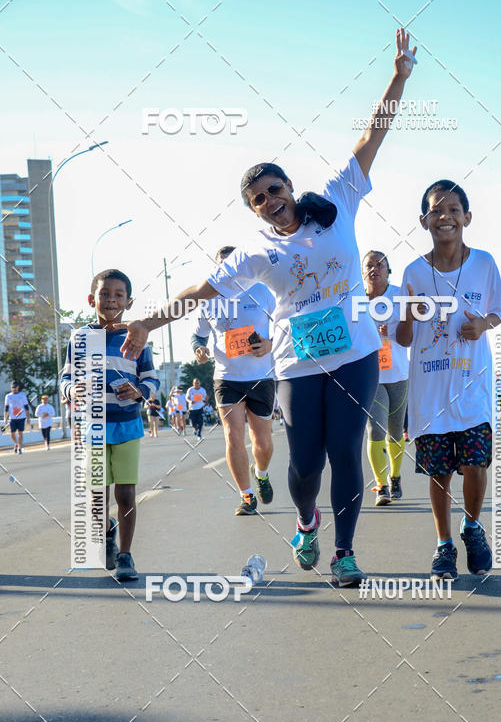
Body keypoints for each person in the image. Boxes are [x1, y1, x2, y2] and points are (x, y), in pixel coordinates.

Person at [122, 29, 417, 587]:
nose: (270, 201)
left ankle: (345, 552)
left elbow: (370, 138)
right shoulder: (257, 253)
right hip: (298, 362)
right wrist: (147, 319)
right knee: (305, 463)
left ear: (289, 186)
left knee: (346, 452)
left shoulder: (336, 200)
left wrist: (398, 78)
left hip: (355, 351)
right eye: (258, 199)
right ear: (254, 212)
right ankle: (307, 521)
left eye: (274, 189)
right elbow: (201, 292)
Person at [396, 180, 501, 581]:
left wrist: (483, 323)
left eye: (454, 209)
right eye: (437, 210)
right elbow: (404, 338)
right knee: (439, 473)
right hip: (430, 392)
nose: (446, 216)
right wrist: (408, 313)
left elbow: (499, 311)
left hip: (472, 388)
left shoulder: (484, 264)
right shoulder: (411, 272)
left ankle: (472, 527)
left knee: (476, 463)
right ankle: (444, 545)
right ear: (424, 220)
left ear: (467, 217)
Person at [61, 269, 159, 581]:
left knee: (126, 495)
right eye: (105, 294)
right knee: (96, 495)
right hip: (93, 427)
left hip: (128, 425)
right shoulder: (80, 338)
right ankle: (106, 533)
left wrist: (141, 392)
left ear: (128, 302)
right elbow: (65, 377)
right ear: (92, 300)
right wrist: (72, 389)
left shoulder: (137, 336)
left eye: (118, 295)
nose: (111, 299)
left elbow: (151, 378)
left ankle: (126, 556)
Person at [192, 246, 276, 515]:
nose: (227, 271)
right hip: (226, 377)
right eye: (221, 267)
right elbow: (198, 336)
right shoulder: (209, 300)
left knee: (262, 442)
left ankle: (261, 473)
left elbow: (286, 327)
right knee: (233, 436)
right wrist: (199, 350)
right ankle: (247, 495)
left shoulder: (262, 292)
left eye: (232, 265)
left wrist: (269, 344)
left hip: (261, 376)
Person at [362, 250, 409, 505]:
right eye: (369, 265)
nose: (375, 268)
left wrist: (392, 329)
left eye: (380, 264)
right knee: (376, 429)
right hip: (371, 375)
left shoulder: (399, 294)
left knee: (395, 432)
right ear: (362, 271)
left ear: (388, 271)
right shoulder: (356, 298)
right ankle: (380, 487)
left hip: (399, 372)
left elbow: (412, 330)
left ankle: (395, 476)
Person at [3, 381, 30, 453]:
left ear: (18, 387)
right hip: (12, 417)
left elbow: (26, 407)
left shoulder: (22, 395)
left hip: (21, 416)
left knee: (20, 433)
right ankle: (17, 443)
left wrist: (28, 418)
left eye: (15, 387)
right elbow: (6, 408)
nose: (14, 389)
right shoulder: (8, 396)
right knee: (12, 433)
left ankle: (20, 448)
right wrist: (5, 418)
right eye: (13, 387)